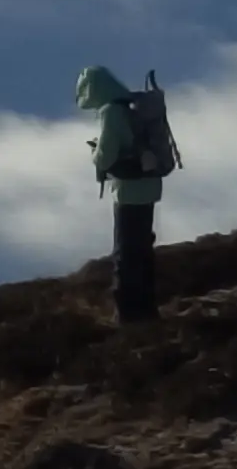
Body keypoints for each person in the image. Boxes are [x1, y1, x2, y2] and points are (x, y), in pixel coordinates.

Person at [74, 63, 177, 322]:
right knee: (142, 249)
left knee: (126, 252)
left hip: (129, 191)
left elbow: (106, 156)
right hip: (150, 186)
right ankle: (146, 310)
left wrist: (94, 153)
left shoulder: (111, 112)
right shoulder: (132, 107)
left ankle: (129, 316)